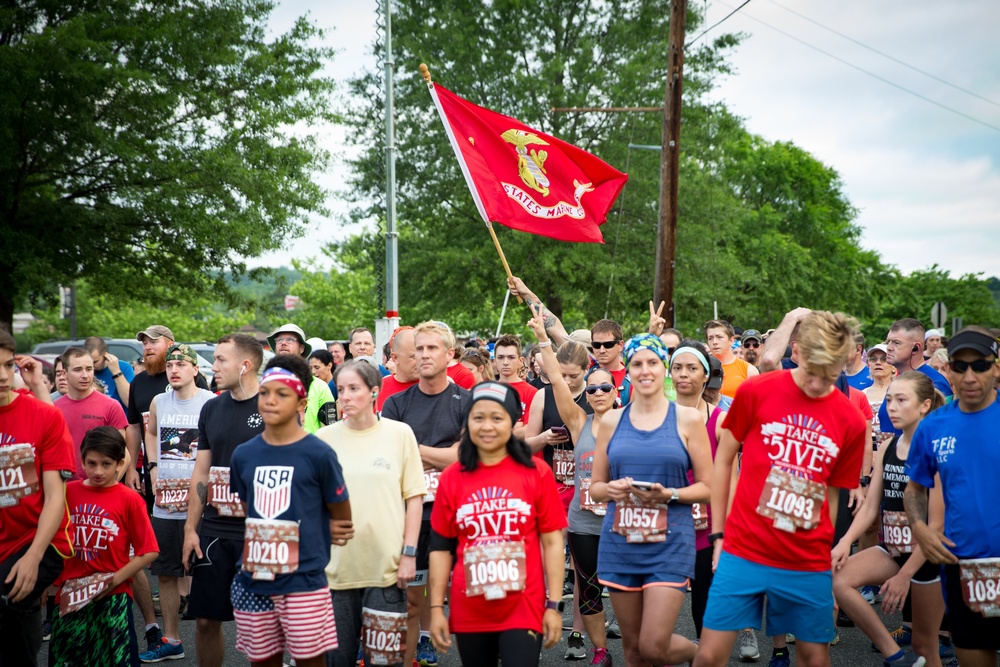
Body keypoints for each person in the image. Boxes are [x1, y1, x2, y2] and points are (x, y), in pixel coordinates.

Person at [692, 311, 867, 667]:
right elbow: (724, 460)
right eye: (813, 371)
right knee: (709, 655)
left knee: (815, 657)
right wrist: (719, 535)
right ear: (797, 352)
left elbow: (833, 494)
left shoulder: (850, 420)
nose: (819, 384)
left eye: (830, 373)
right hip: (744, 547)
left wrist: (826, 550)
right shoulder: (758, 390)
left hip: (805, 557)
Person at [589, 334, 712, 667]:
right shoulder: (612, 421)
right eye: (637, 364)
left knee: (653, 646)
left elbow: (709, 486)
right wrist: (611, 489)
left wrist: (668, 494)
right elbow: (596, 487)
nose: (645, 370)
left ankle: (699, 654)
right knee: (633, 651)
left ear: (665, 369)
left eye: (653, 363)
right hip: (621, 544)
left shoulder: (688, 419)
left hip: (670, 543)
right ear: (626, 371)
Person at [427, 381, 566, 667]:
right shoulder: (453, 476)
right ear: (467, 423)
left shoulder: (536, 472)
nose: (487, 426)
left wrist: (553, 604)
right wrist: (436, 609)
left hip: (524, 604)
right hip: (470, 605)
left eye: (497, 418)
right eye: (478, 418)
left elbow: (552, 541)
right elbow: (441, 548)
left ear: (513, 422)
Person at [229, 355, 354, 667]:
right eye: (264, 392)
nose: (270, 401)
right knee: (262, 661)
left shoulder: (319, 454)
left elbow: (342, 515)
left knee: (310, 660)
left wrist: (318, 529)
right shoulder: (243, 455)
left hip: (304, 582)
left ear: (302, 404)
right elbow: (251, 511)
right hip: (253, 580)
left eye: (281, 394)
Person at [317, 360, 426, 667]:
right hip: (336, 571)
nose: (345, 397)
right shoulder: (323, 441)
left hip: (387, 570)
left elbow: (414, 498)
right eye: (340, 390)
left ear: (374, 392)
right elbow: (310, 505)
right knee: (336, 661)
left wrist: (408, 554)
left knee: (385, 661)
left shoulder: (400, 434)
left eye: (354, 389)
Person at [832, 372, 945, 667]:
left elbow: (937, 526)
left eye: (901, 400)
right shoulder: (887, 447)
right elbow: (870, 509)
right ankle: (893, 655)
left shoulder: (936, 450)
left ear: (925, 405)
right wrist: (844, 543)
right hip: (893, 550)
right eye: (890, 399)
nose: (892, 407)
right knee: (839, 579)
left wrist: (903, 576)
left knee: (924, 645)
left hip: (927, 559)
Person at [904, 327, 1000, 667]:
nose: (970, 376)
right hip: (964, 568)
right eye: (960, 366)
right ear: (948, 371)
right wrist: (920, 527)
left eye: (980, 365)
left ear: (996, 368)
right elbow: (914, 487)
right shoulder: (934, 426)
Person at [528, 310, 616, 666]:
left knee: (628, 590)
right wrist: (543, 342)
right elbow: (557, 382)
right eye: (591, 388)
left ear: (615, 390)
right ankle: (600, 651)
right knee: (589, 587)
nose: (596, 393)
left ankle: (645, 647)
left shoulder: (631, 421)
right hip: (584, 521)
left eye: (603, 387)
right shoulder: (580, 423)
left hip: (622, 521)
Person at [382, 321, 471, 667]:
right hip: (411, 514)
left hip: (455, 511)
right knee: (410, 602)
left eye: (432, 348)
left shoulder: (465, 400)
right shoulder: (396, 404)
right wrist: (441, 454)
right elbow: (392, 459)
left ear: (450, 355)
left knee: (466, 601)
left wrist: (413, 448)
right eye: (418, 349)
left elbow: (462, 457)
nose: (423, 355)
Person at [181, 333, 265, 667]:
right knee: (204, 620)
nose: (212, 366)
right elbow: (201, 473)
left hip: (260, 532)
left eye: (220, 360)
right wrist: (191, 529)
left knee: (260, 626)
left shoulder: (273, 405)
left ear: (245, 366)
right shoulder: (212, 407)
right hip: (215, 529)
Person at [50, 427, 159, 666]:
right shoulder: (67, 492)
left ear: (120, 464)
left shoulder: (130, 499)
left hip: (114, 596)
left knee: (115, 659)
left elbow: (149, 550)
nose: (98, 471)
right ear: (82, 460)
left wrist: (115, 579)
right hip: (71, 594)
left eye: (106, 464)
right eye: (92, 463)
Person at [0, 328, 76, 667]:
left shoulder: (45, 416)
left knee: (10, 600)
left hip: (35, 541)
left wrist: (33, 556)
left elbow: (56, 498)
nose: (3, 376)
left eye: (7, 365)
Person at [140, 344, 215, 662]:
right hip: (166, 501)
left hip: (200, 501)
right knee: (168, 571)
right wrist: (154, 468)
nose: (174, 369)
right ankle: (171, 638)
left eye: (181, 364)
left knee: (204, 571)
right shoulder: (158, 401)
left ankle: (207, 634)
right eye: (170, 364)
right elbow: (151, 434)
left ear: (195, 370)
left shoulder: (210, 403)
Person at [668, 340, 727, 641]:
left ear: (706, 376)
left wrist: (727, 533)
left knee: (703, 605)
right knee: (660, 605)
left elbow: (733, 481)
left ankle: (705, 656)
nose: (683, 374)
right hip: (665, 524)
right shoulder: (656, 417)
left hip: (708, 528)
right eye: (677, 368)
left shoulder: (720, 421)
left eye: (692, 368)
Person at [55, 347, 128, 479]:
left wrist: (110, 486)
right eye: (77, 370)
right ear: (64, 374)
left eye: (89, 369)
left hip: (100, 488)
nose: (85, 375)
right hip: (65, 490)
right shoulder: (54, 409)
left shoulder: (111, 406)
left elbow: (123, 453)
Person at [877, 319, 952, 439]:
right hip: (890, 454)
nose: (889, 348)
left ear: (916, 348)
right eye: (888, 342)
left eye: (896, 343)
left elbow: (938, 433)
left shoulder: (934, 382)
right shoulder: (899, 380)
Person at [268, 323, 336, 433]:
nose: (283, 343)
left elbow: (330, 429)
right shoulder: (265, 384)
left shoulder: (319, 386)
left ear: (302, 348)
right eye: (279, 340)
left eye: (290, 340)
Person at [493, 334, 537, 438]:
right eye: (500, 357)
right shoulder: (487, 391)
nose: (505, 362)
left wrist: (497, 433)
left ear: (520, 361)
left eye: (511, 357)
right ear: (495, 361)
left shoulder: (532, 392)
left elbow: (530, 430)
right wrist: (517, 427)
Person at [706, 319, 759, 399]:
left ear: (731, 340)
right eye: (710, 338)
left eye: (719, 337)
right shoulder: (702, 368)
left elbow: (756, 404)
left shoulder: (749, 370)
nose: (714, 342)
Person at [84, 336, 135, 409]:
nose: (91, 366)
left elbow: (129, 402)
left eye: (95, 362)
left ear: (105, 356)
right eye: (88, 362)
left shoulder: (124, 367)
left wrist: (116, 372)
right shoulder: (84, 372)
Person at [377, 327, 419, 412]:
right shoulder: (379, 388)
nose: (421, 361)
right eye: (413, 357)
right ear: (395, 358)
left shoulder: (435, 386)